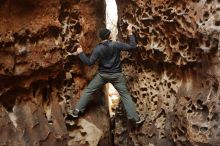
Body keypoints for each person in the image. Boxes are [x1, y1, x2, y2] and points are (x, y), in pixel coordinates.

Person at [71, 24, 144, 125]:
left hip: (102, 75)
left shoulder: (98, 49)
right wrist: (130, 32)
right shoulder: (116, 44)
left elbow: (89, 62)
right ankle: (135, 119)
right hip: (116, 75)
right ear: (109, 36)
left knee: (88, 91)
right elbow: (132, 46)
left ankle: (76, 111)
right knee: (125, 95)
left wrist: (80, 53)